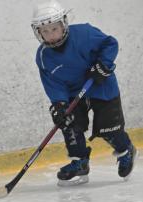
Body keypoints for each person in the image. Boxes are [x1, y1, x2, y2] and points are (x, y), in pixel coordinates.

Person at [31, 0, 137, 186]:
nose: (51, 35)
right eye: (45, 31)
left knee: (108, 129)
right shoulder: (43, 57)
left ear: (64, 24)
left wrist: (103, 65)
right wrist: (59, 104)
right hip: (73, 92)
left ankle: (125, 149)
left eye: (54, 29)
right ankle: (79, 161)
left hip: (100, 84)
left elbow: (110, 44)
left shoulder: (85, 34)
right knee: (68, 121)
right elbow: (53, 84)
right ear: (38, 32)